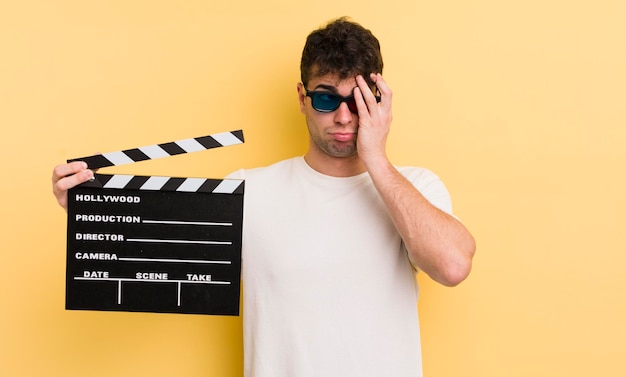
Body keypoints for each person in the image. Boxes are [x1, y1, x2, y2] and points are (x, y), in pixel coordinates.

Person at [52, 17, 475, 377]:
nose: (344, 116)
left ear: (378, 100)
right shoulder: (249, 192)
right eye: (327, 98)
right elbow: (160, 264)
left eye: (358, 100)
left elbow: (453, 265)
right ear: (302, 98)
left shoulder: (416, 188)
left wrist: (376, 158)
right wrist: (91, 208)